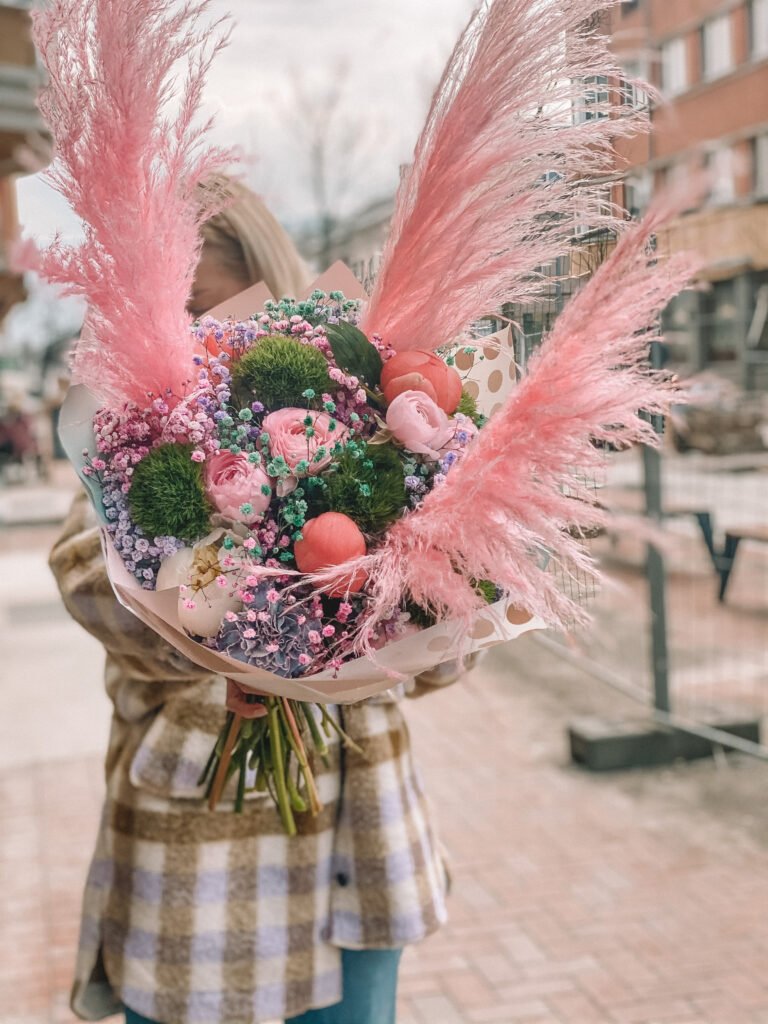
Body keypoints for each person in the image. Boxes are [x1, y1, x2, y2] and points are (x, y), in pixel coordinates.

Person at [49, 178, 462, 1024]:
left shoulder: (362, 380)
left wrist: (421, 593)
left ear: (269, 285)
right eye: (174, 312)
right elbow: (85, 574)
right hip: (199, 847)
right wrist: (230, 620)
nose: (190, 335)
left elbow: (441, 659)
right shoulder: (132, 416)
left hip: (358, 836)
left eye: (201, 305)